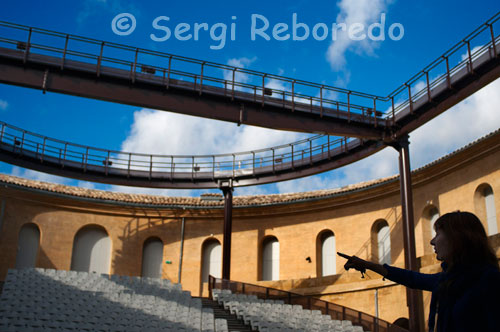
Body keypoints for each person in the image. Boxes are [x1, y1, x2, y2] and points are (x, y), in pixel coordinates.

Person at [338, 211, 500, 332]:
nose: (432, 241)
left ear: (457, 238)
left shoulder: (489, 279)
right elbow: (411, 278)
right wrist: (367, 265)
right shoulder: (446, 280)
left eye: (437, 234)